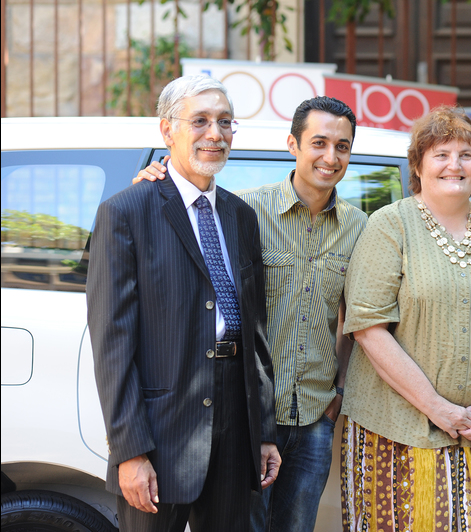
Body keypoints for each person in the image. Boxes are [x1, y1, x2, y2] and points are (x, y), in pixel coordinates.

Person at [135, 96, 367, 532]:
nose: (330, 157)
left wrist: (338, 390)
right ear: (292, 145)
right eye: (319, 142)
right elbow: (176, 225)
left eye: (343, 146)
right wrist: (152, 184)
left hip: (315, 418)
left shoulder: (360, 228)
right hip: (246, 415)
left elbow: (358, 319)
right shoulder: (241, 212)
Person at [87, 75, 280, 532]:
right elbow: (112, 346)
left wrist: (264, 433)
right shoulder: (126, 212)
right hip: (160, 432)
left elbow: (255, 336)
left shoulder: (241, 216)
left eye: (225, 122)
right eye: (200, 121)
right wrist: (131, 452)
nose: (215, 133)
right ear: (167, 130)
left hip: (237, 426)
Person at [340, 106, 471, 531]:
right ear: (417, 165)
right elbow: (368, 328)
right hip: (398, 435)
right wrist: (438, 409)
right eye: (441, 154)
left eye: (466, 155)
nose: (455, 165)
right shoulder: (389, 226)